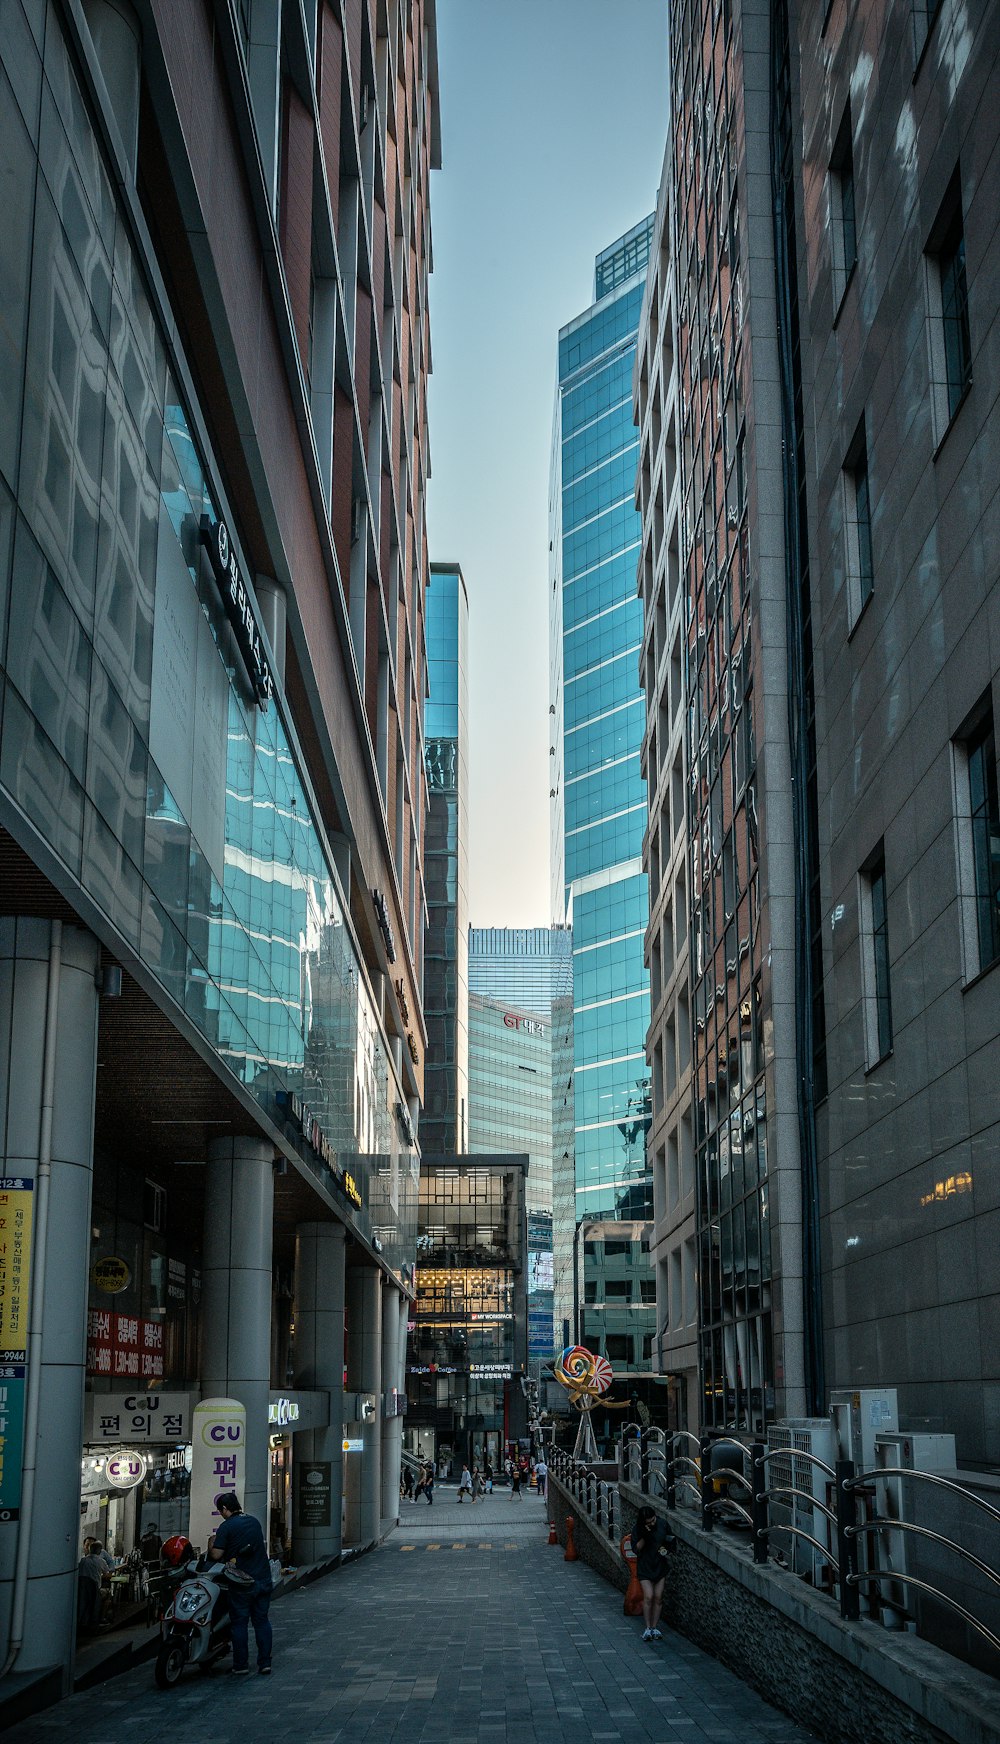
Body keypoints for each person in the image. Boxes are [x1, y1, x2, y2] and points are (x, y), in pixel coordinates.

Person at [209, 1492, 274, 1676]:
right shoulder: (254, 1521)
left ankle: (241, 1665)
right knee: (262, 1622)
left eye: (220, 1510)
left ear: (224, 1509)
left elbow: (216, 1555)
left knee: (239, 1624)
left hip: (241, 1583)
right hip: (262, 1578)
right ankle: (265, 1663)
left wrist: (211, 1543)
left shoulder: (226, 1526)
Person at [630, 1505, 676, 1642]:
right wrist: (645, 1535)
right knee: (648, 1596)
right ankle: (647, 1627)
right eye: (649, 1522)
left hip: (660, 1564)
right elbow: (636, 1549)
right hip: (645, 1565)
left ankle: (654, 1627)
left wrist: (667, 1549)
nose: (652, 1523)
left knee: (658, 1596)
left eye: (653, 1520)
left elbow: (670, 1540)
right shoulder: (638, 1528)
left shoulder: (662, 1524)